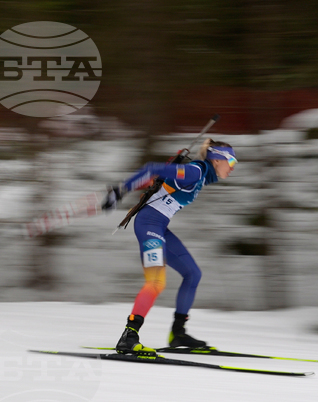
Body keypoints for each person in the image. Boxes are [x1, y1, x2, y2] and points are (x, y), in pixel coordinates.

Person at [101, 138, 237, 354]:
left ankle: (178, 333)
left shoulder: (201, 174)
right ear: (217, 158)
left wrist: (175, 164)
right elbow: (152, 168)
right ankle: (129, 335)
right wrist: (119, 191)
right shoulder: (195, 172)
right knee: (156, 282)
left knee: (193, 274)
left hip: (160, 226)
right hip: (148, 224)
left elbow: (169, 177)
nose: (232, 167)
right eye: (230, 161)